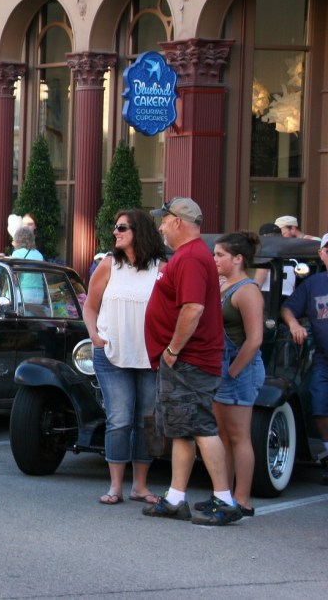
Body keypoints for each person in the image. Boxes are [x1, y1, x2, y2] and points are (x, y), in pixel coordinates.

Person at [143, 197, 242, 525]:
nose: (161, 226)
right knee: (182, 429)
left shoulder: (191, 257)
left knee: (199, 425)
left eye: (165, 220)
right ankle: (175, 498)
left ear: (178, 222)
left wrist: (172, 350)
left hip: (189, 360)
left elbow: (193, 308)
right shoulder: (190, 255)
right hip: (186, 360)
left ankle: (224, 500)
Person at [83, 209, 165, 506]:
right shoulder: (108, 265)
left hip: (150, 356)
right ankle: (115, 486)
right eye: (115, 227)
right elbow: (90, 305)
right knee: (118, 420)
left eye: (122, 228)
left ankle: (140, 486)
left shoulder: (161, 268)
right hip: (112, 354)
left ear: (139, 232)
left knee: (147, 421)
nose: (115, 232)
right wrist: (95, 336)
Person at [208, 231, 265, 516]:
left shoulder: (247, 290)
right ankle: (224, 496)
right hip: (221, 368)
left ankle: (242, 500)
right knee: (222, 436)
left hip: (239, 369)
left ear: (238, 259)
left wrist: (232, 371)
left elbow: (255, 339)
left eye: (220, 255)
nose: (215, 259)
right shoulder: (222, 285)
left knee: (239, 435)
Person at [280, 232, 328, 485]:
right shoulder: (314, 284)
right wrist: (294, 324)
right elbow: (288, 307)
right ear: (321, 254)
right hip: (323, 357)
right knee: (319, 405)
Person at [254, 222, 295, 296]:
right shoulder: (292, 257)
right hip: (289, 298)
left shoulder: (266, 257)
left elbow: (257, 286)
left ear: (264, 237)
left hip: (270, 299)